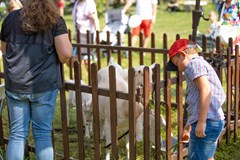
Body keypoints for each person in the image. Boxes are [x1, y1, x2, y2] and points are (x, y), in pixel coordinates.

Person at [0, 0, 72, 159]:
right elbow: (66, 53)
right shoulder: (55, 20)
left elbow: (5, 50)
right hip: (44, 86)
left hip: (16, 85)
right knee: (43, 135)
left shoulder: (10, 19)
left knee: (17, 135)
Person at [166, 39, 226, 160]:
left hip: (207, 122)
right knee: (206, 156)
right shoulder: (198, 64)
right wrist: (189, 127)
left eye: (176, 63)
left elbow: (205, 90)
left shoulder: (193, 65)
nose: (177, 68)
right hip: (212, 121)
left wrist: (202, 122)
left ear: (183, 55)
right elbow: (197, 101)